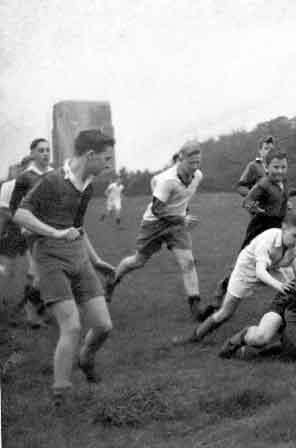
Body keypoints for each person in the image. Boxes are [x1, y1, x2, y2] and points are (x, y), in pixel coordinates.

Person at [13, 129, 116, 407]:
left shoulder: (89, 186)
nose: (109, 164)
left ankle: (85, 358)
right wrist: (54, 234)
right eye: (106, 158)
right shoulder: (53, 180)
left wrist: (96, 261)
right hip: (50, 259)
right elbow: (21, 214)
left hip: (78, 257)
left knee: (104, 326)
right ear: (90, 155)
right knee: (71, 326)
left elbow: (78, 228)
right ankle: (61, 394)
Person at [173, 211, 296, 343]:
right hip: (247, 270)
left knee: (295, 290)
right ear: (284, 228)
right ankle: (194, 337)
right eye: (295, 235)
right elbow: (260, 272)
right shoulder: (268, 239)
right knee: (226, 313)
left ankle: (287, 329)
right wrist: (280, 286)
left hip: (273, 269)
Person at [106, 142, 206, 320]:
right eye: (191, 162)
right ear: (180, 159)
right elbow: (157, 210)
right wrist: (181, 218)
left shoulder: (197, 176)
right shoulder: (167, 180)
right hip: (154, 224)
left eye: (198, 162)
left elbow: (185, 198)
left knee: (188, 262)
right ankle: (112, 280)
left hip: (177, 225)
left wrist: (183, 215)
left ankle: (195, 307)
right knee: (138, 261)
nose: (195, 167)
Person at [207, 148, 296, 313]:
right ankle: (224, 287)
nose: (280, 171)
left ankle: (289, 300)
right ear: (267, 167)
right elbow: (247, 201)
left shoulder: (284, 182)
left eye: (283, 167)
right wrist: (261, 211)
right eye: (276, 167)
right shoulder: (263, 184)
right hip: (260, 227)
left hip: (278, 227)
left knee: (280, 260)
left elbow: (285, 194)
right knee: (246, 263)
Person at [6, 138, 55, 326]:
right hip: (34, 232)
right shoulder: (25, 177)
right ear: (33, 153)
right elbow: (14, 207)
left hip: (54, 230)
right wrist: (24, 226)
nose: (45, 154)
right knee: (39, 273)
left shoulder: (56, 174)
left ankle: (34, 309)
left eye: (48, 150)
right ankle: (31, 311)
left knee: (42, 274)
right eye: (41, 150)